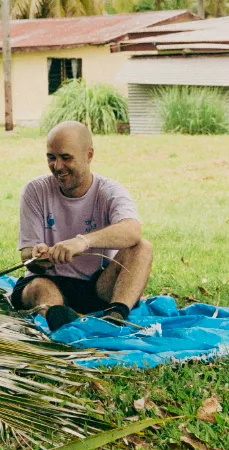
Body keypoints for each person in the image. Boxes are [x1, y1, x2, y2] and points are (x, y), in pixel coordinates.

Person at [11, 119, 151, 330]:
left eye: (66, 158)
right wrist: (37, 256)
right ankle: (59, 320)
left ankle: (115, 316)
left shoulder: (110, 191)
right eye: (51, 157)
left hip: (96, 286)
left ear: (89, 155)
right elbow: (26, 256)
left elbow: (132, 230)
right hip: (48, 280)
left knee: (143, 248)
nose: (57, 166)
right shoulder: (35, 191)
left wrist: (82, 242)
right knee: (39, 288)